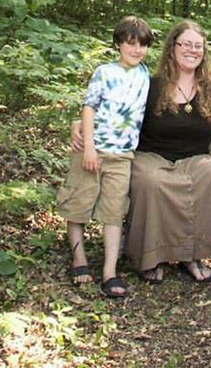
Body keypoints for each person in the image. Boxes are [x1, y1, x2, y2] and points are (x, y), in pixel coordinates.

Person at [73, 20, 211, 284]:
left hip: (195, 157)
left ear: (204, 52)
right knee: (152, 181)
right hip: (151, 156)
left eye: (198, 46)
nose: (192, 50)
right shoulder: (150, 85)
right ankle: (152, 257)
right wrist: (79, 125)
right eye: (186, 44)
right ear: (172, 48)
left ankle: (193, 255)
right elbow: (114, 110)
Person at [57, 15, 154, 298]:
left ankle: (110, 271)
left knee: (114, 212)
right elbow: (90, 107)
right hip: (93, 150)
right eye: (130, 44)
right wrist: (88, 144)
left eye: (142, 45)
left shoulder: (145, 75)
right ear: (118, 44)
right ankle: (79, 259)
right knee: (79, 203)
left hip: (122, 155)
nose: (136, 50)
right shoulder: (105, 72)